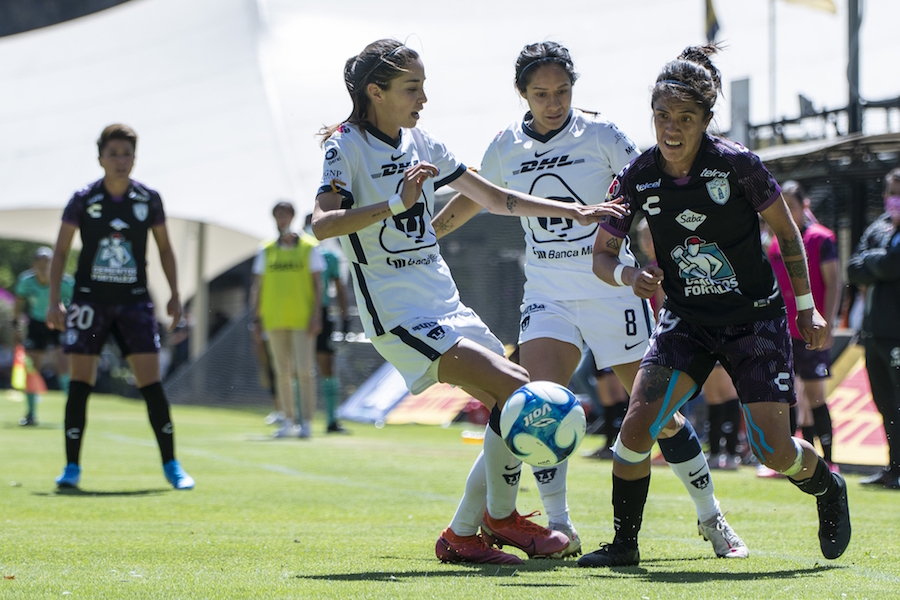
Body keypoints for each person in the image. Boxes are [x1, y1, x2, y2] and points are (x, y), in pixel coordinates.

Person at [312, 39, 627, 565]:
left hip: (446, 304)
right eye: (412, 88)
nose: (424, 98)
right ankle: (501, 520)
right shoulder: (344, 145)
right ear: (376, 92)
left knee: (515, 401)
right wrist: (396, 203)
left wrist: (574, 211)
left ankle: (463, 534)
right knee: (523, 391)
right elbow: (322, 224)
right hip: (399, 314)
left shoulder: (422, 141)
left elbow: (492, 197)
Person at [432, 41, 747, 560]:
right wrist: (428, 236)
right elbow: (475, 198)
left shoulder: (600, 135)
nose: (553, 103)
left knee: (659, 417)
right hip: (548, 294)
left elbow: (652, 185)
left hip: (611, 289)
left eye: (562, 91)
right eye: (540, 94)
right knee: (538, 407)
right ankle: (559, 528)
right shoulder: (505, 147)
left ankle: (713, 519)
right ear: (521, 95)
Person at [580, 44, 850, 567]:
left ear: (706, 120)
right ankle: (624, 544)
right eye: (662, 115)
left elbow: (787, 233)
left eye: (685, 117)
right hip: (686, 320)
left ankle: (828, 487)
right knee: (637, 425)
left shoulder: (738, 166)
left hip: (756, 320)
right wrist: (630, 274)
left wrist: (806, 306)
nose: (672, 128)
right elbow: (602, 256)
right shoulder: (638, 175)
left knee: (773, 450)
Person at [46, 124, 194, 490]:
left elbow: (164, 248)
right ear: (100, 158)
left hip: (134, 303)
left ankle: (172, 465)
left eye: (126, 154)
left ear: (134, 158)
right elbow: (61, 250)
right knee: (81, 382)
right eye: (113, 154)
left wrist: (175, 293)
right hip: (89, 303)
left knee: (151, 383)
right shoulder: (82, 199)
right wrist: (54, 301)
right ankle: (71, 468)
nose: (120, 161)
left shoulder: (148, 199)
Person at [769, 181, 842, 471]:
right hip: (783, 333)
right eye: (782, 206)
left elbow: (835, 282)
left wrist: (830, 322)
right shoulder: (775, 242)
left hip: (812, 330)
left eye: (793, 206)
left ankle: (831, 460)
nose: (788, 211)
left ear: (805, 206)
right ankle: (793, 460)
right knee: (787, 395)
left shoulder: (821, 239)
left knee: (815, 395)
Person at [847, 168, 900, 490]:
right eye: (892, 192)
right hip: (873, 333)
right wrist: (881, 263)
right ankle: (893, 468)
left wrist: (875, 265)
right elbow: (853, 268)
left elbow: (894, 263)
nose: (894, 199)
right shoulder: (879, 228)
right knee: (885, 403)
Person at [251, 201, 323, 438]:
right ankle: (287, 421)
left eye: (285, 214)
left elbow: (317, 284)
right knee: (282, 373)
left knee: (304, 371)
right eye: (278, 215)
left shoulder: (309, 246)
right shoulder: (267, 248)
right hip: (273, 319)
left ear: (291, 216)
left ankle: (307, 422)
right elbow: (258, 287)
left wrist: (317, 315)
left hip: (302, 319)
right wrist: (257, 319)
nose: (281, 219)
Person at [13, 246, 74, 425]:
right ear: (33, 264)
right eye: (39, 262)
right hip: (37, 323)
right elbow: (18, 305)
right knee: (32, 368)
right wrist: (16, 326)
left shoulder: (65, 282)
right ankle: (31, 414)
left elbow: (76, 304)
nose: (43, 267)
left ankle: (71, 414)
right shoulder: (26, 281)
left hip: (59, 323)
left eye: (47, 263)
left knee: (63, 365)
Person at [304, 213, 351, 434]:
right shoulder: (299, 253)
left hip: (321, 314)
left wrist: (344, 316)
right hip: (297, 314)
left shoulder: (330, 257)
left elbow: (339, 288)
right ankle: (299, 418)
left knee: (326, 366)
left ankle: (332, 419)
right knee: (298, 367)